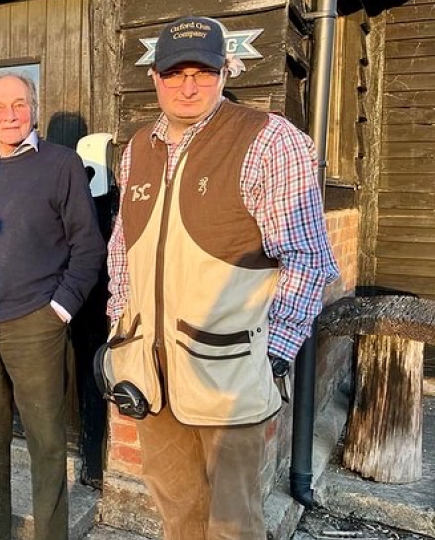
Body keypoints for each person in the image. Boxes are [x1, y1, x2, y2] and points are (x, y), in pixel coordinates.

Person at [105, 16, 340, 540]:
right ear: (155, 78)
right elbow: (122, 248)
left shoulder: (268, 139)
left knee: (233, 527)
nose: (188, 86)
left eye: (203, 72)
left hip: (229, 378)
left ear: (224, 70)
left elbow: (308, 259)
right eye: (175, 73)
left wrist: (272, 354)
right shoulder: (138, 147)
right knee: (177, 516)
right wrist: (120, 331)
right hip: (152, 376)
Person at [0, 72, 106, 540]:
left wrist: (59, 309)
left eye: (19, 104)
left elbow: (89, 246)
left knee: (47, 443)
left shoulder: (62, 164)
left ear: (34, 109)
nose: (9, 114)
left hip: (37, 322)